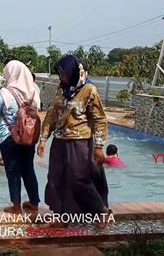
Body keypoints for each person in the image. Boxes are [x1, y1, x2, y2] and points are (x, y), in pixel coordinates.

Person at [37, 55, 111, 229]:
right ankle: (62, 217)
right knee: (55, 180)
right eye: (60, 74)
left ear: (73, 72)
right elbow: (51, 115)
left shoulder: (89, 90)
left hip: (80, 143)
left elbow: (99, 119)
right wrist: (43, 139)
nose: (61, 77)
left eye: (63, 73)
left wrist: (99, 146)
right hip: (59, 142)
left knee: (79, 180)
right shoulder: (61, 90)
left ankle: (100, 211)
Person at [0, 60, 41, 214]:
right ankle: (34, 203)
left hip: (9, 137)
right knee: (28, 170)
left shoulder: (6, 92)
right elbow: (37, 109)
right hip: (29, 137)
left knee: (13, 171)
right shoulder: (34, 91)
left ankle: (16, 206)